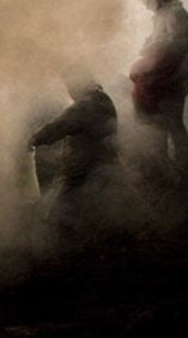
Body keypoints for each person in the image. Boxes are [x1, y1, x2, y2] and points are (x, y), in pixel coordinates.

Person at [28, 69, 119, 247]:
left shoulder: (85, 105)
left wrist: (35, 139)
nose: (69, 90)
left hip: (83, 172)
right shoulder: (104, 98)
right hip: (105, 165)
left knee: (55, 214)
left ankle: (62, 252)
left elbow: (59, 126)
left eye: (69, 85)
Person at [130, 0, 188, 171]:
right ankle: (165, 166)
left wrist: (154, 45)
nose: (145, 5)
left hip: (175, 76)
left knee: (173, 121)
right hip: (163, 77)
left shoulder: (175, 13)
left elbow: (178, 44)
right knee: (161, 122)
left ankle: (186, 166)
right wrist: (150, 44)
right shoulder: (162, 15)